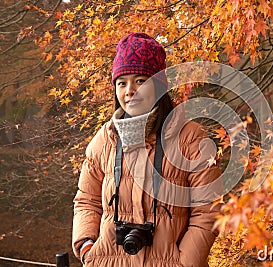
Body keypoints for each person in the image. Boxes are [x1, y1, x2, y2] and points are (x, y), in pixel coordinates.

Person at [72, 32, 222, 267]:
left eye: (140, 80)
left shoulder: (191, 138)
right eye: (122, 83)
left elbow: (208, 210)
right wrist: (86, 246)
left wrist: (184, 263)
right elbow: (86, 201)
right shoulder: (104, 141)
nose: (130, 90)